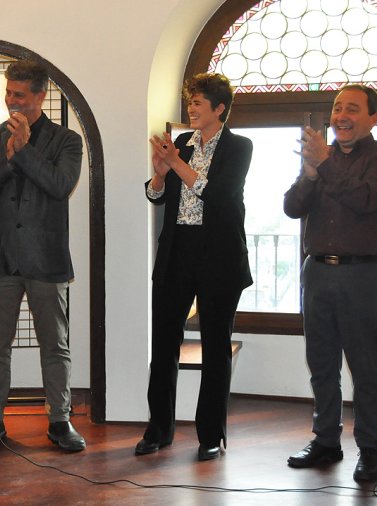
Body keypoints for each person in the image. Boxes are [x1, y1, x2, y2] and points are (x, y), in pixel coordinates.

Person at [0, 59, 86, 452]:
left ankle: (60, 420)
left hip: (46, 259)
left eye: (19, 95)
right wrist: (9, 156)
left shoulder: (67, 140)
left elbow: (60, 185)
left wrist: (25, 149)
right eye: (8, 93)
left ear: (39, 96)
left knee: (55, 344)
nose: (11, 101)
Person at [284, 84, 377, 482]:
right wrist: (308, 174)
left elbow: (367, 200)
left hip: (363, 273)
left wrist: (325, 165)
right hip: (317, 270)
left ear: (374, 118)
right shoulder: (322, 159)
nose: (341, 116)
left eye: (352, 109)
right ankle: (325, 441)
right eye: (337, 108)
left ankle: (370, 448)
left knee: (364, 364)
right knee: (321, 362)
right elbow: (291, 207)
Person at [136, 73, 253, 461]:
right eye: (190, 102)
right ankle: (158, 430)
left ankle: (211, 435)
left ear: (219, 108)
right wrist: (160, 171)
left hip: (219, 256)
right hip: (177, 252)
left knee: (214, 347)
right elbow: (156, 196)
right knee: (164, 342)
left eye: (199, 103)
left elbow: (218, 195)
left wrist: (177, 165)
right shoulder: (182, 144)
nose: (192, 108)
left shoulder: (239, 147)